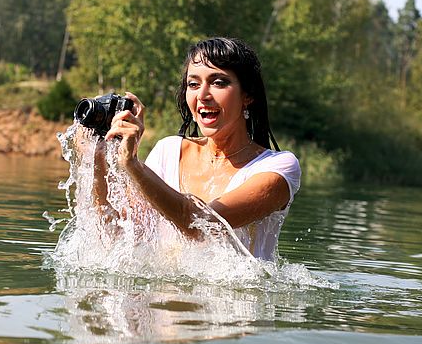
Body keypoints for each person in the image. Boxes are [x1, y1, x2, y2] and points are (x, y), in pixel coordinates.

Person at [98, 36, 301, 262]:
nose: (203, 96)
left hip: (235, 297)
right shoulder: (168, 151)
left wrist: (133, 165)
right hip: (162, 295)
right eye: (193, 84)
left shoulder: (278, 167)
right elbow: (119, 236)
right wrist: (95, 154)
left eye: (219, 82)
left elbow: (200, 225)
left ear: (248, 95)